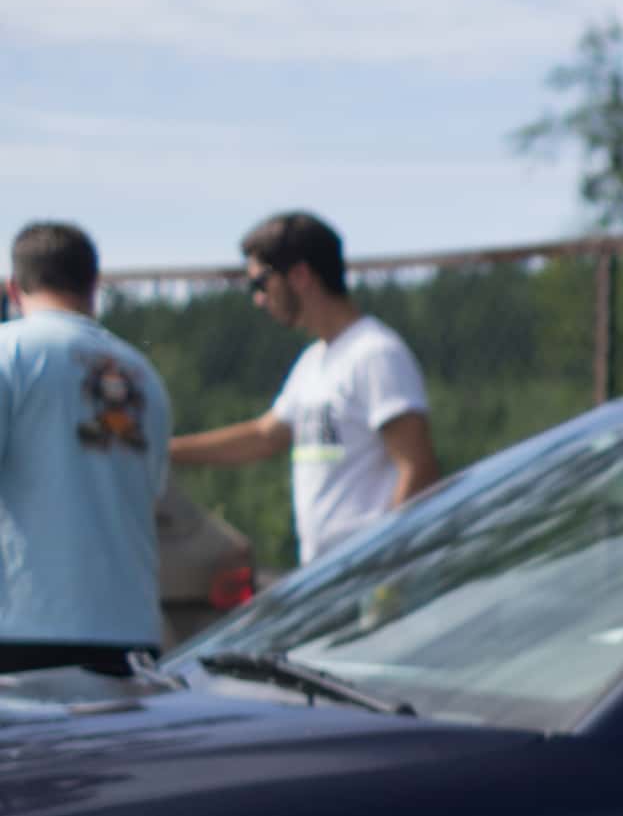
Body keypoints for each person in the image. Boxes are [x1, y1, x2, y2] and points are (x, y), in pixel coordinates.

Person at [168, 211, 439, 565]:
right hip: (330, 574)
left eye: (260, 283)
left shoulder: (376, 353)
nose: (258, 299)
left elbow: (418, 468)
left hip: (372, 572)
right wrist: (165, 452)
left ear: (300, 275)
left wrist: (387, 568)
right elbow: (265, 436)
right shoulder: (314, 361)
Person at [0, 219, 174, 672]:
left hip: (24, 628)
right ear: (93, 286)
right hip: (129, 636)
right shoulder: (143, 374)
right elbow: (152, 495)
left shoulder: (10, 350)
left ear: (13, 288)